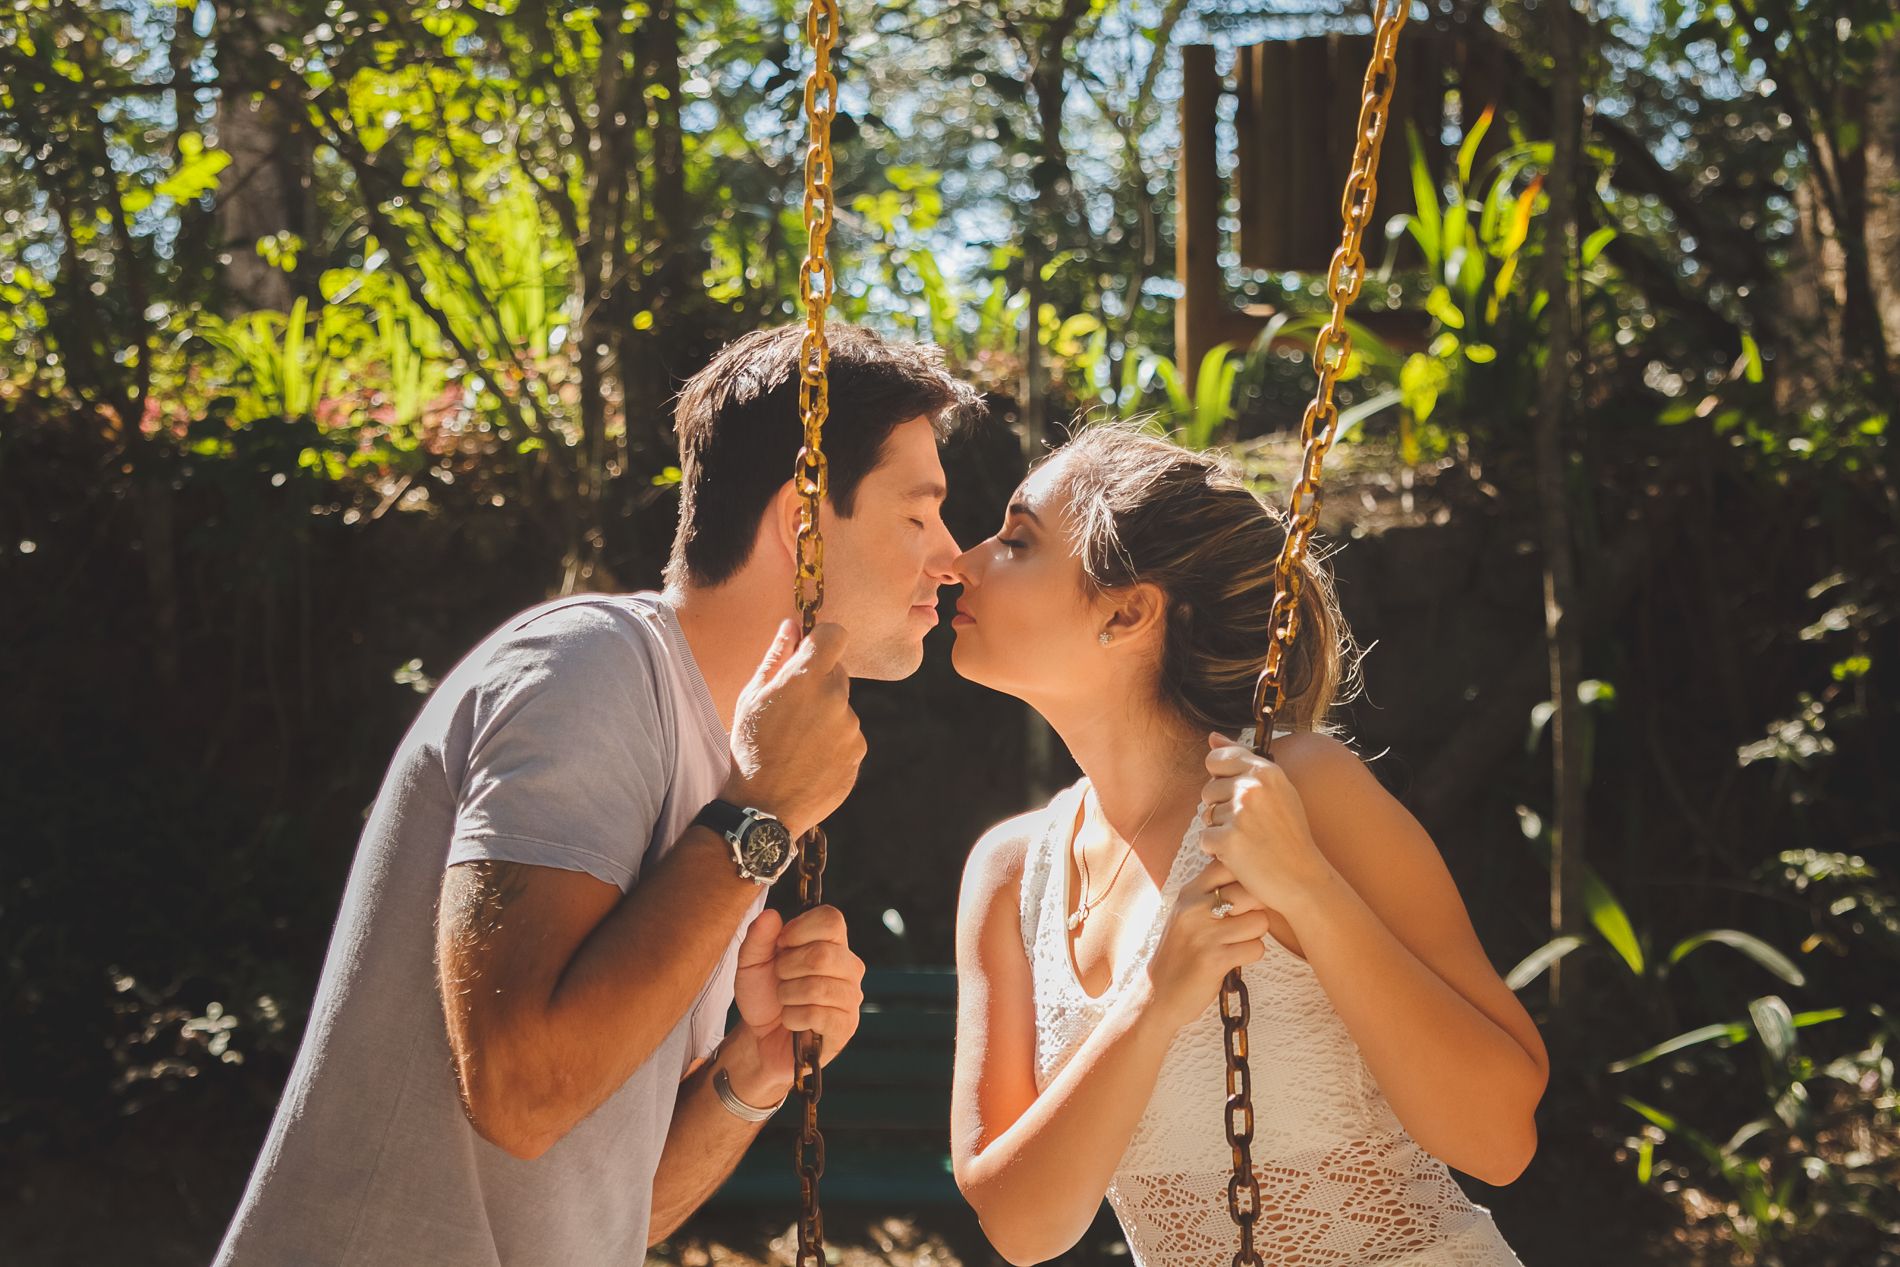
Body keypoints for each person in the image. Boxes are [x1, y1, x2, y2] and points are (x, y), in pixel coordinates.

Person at [215, 324, 980, 1265]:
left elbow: (614, 1212)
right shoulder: (589, 671)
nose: (953, 557)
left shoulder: (723, 763)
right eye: (919, 515)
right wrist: (760, 814)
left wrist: (751, 1069)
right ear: (806, 520)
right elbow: (522, 1094)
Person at [948, 423, 1546, 1267]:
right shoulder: (1012, 874)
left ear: (1128, 610)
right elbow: (1020, 1225)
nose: (960, 561)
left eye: (1016, 539)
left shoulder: (1299, 787)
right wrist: (1153, 1001)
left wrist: (1309, 891)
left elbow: (1499, 1137)